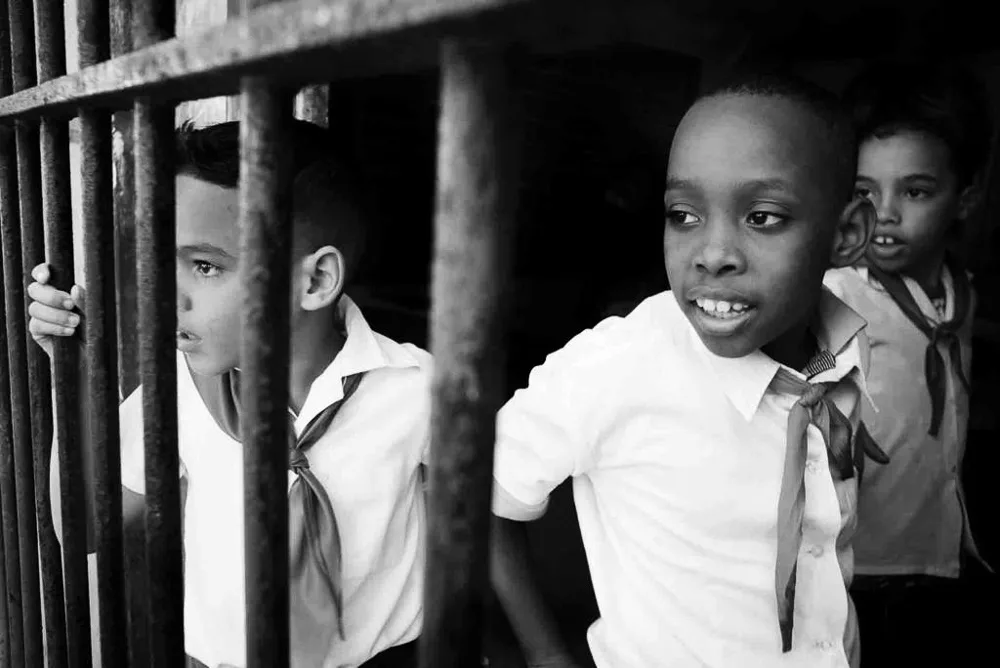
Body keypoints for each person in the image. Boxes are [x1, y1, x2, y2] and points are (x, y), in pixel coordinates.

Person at [489, 72, 882, 668]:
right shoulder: (622, 363)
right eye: (684, 214)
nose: (712, 255)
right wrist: (547, 658)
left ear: (847, 234)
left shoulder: (847, 351)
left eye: (762, 217)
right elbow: (473, 493)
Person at [28, 120, 431, 668]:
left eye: (205, 266)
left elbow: (478, 518)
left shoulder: (416, 387)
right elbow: (83, 532)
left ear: (315, 281)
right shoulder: (178, 389)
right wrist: (73, 374)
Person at [824, 60, 997, 666]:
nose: (885, 212)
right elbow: (798, 394)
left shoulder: (960, 294)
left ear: (966, 198)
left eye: (915, 191)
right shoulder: (837, 295)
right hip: (856, 567)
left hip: (935, 552)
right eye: (864, 192)